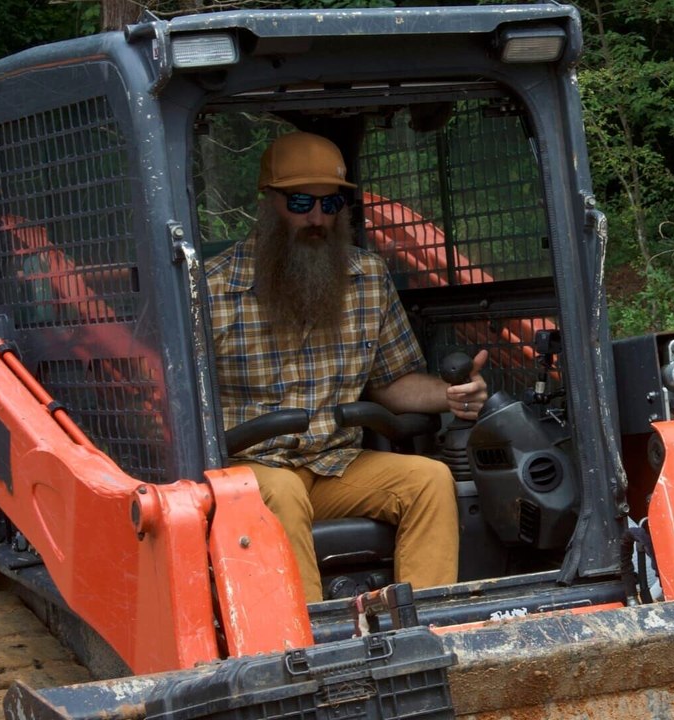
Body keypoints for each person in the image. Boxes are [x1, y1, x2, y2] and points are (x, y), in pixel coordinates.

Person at [206, 131, 487, 603]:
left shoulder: (367, 277)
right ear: (268, 202)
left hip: (335, 463)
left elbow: (393, 382)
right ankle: (310, 644)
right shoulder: (210, 291)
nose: (317, 218)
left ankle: (425, 627)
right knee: (282, 492)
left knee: (429, 479)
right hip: (250, 468)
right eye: (300, 202)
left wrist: (449, 395)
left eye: (330, 204)